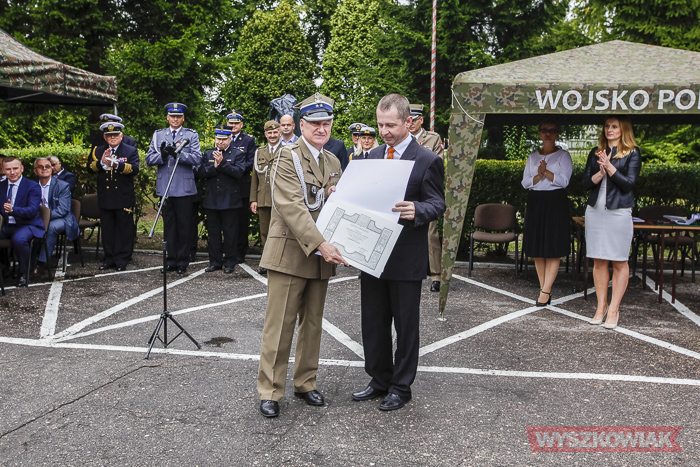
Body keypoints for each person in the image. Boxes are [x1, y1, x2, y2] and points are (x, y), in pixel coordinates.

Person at [351, 94, 445, 411]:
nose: (384, 132)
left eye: (390, 125)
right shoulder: (372, 156)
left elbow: (438, 204)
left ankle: (401, 387)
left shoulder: (428, 160)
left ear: (408, 122)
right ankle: (379, 380)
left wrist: (418, 209)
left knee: (405, 327)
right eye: (380, 125)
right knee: (373, 324)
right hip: (372, 255)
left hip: (406, 257)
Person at [256, 92, 346, 418]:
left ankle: (306, 382)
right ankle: (270, 390)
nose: (322, 129)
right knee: (279, 325)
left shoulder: (333, 161)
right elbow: (292, 207)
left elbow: (339, 206)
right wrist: (323, 244)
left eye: (327, 123)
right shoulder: (286, 157)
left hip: (320, 256)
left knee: (313, 325)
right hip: (290, 252)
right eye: (315, 123)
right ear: (302, 124)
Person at [583, 116, 642, 330]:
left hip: (619, 212)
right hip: (595, 211)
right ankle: (601, 306)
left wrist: (610, 167)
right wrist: (600, 173)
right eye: (607, 126)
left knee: (619, 260)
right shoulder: (595, 152)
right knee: (598, 260)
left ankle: (614, 309)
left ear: (623, 129)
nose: (609, 129)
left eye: (614, 126)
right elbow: (584, 183)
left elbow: (629, 184)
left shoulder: (632, 153)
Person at [521, 120, 573, 306]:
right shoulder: (533, 156)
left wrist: (546, 173)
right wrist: (538, 175)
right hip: (536, 200)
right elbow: (525, 182)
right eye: (544, 130)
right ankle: (544, 289)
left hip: (555, 202)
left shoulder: (563, 155)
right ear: (539, 133)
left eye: (551, 130)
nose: (548, 134)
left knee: (552, 247)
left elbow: (564, 181)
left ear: (557, 133)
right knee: (538, 248)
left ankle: (545, 290)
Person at [146, 103, 201, 274]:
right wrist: (162, 155)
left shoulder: (191, 135)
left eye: (178, 116)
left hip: (184, 187)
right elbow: (149, 158)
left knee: (184, 226)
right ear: (167, 117)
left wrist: (179, 154)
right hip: (166, 187)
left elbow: (197, 158)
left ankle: (183, 261)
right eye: (172, 116)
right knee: (169, 226)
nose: (175, 119)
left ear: (183, 118)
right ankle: (171, 260)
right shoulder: (158, 135)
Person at [86, 122, 140, 271]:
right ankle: (109, 258)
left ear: (121, 136)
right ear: (105, 137)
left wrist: (116, 165)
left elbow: (134, 169)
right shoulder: (98, 150)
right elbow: (90, 168)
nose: (113, 137)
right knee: (108, 229)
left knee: (124, 229)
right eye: (109, 135)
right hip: (106, 196)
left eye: (115, 135)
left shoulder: (129, 150)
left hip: (123, 196)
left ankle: (122, 260)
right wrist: (101, 163)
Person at [196, 125, 246, 273]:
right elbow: (201, 172)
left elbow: (238, 172)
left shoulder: (237, 153)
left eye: (224, 139)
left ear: (230, 139)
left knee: (230, 233)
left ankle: (230, 262)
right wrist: (214, 166)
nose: (220, 142)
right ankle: (215, 262)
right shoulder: (208, 153)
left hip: (230, 200)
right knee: (213, 233)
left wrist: (222, 163)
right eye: (218, 138)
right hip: (212, 199)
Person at [409, 103, 445, 292]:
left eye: (414, 120)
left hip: (426, 191)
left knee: (431, 233)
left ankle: (436, 275)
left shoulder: (432, 138)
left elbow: (439, 161)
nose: (410, 123)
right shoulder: (402, 138)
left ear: (421, 120)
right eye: (408, 120)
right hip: (407, 190)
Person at [0, 156, 45, 286]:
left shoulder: (32, 186)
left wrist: (13, 210)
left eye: (15, 168)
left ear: (22, 168)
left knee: (19, 239)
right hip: (6, 225)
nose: (12, 172)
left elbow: (32, 211)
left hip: (28, 224)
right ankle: (3, 268)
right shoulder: (1, 186)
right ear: (3, 170)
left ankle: (24, 273)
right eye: (8, 169)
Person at [32, 158, 79, 277]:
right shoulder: (31, 185)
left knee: (51, 227)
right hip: (36, 217)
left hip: (61, 218)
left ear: (51, 169)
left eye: (47, 166)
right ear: (35, 171)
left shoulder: (62, 186)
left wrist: (44, 218)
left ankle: (41, 264)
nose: (44, 169)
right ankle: (26, 263)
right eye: (40, 167)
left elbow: (63, 210)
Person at [250, 120, 282, 275]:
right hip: (263, 198)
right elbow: (255, 177)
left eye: (275, 132)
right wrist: (253, 199)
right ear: (265, 134)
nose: (272, 135)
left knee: (281, 231)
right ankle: (266, 262)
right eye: (270, 133)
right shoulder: (259, 152)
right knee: (265, 232)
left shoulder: (287, 150)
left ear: (280, 133)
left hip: (281, 198)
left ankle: (279, 261)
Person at [227, 110, 257, 264]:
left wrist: (234, 168)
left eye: (236, 123)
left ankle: (240, 251)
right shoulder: (222, 137)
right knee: (228, 221)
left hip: (241, 185)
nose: (233, 125)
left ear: (241, 124)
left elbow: (251, 162)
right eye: (230, 123)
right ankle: (229, 250)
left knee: (241, 221)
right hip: (226, 185)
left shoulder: (248, 140)